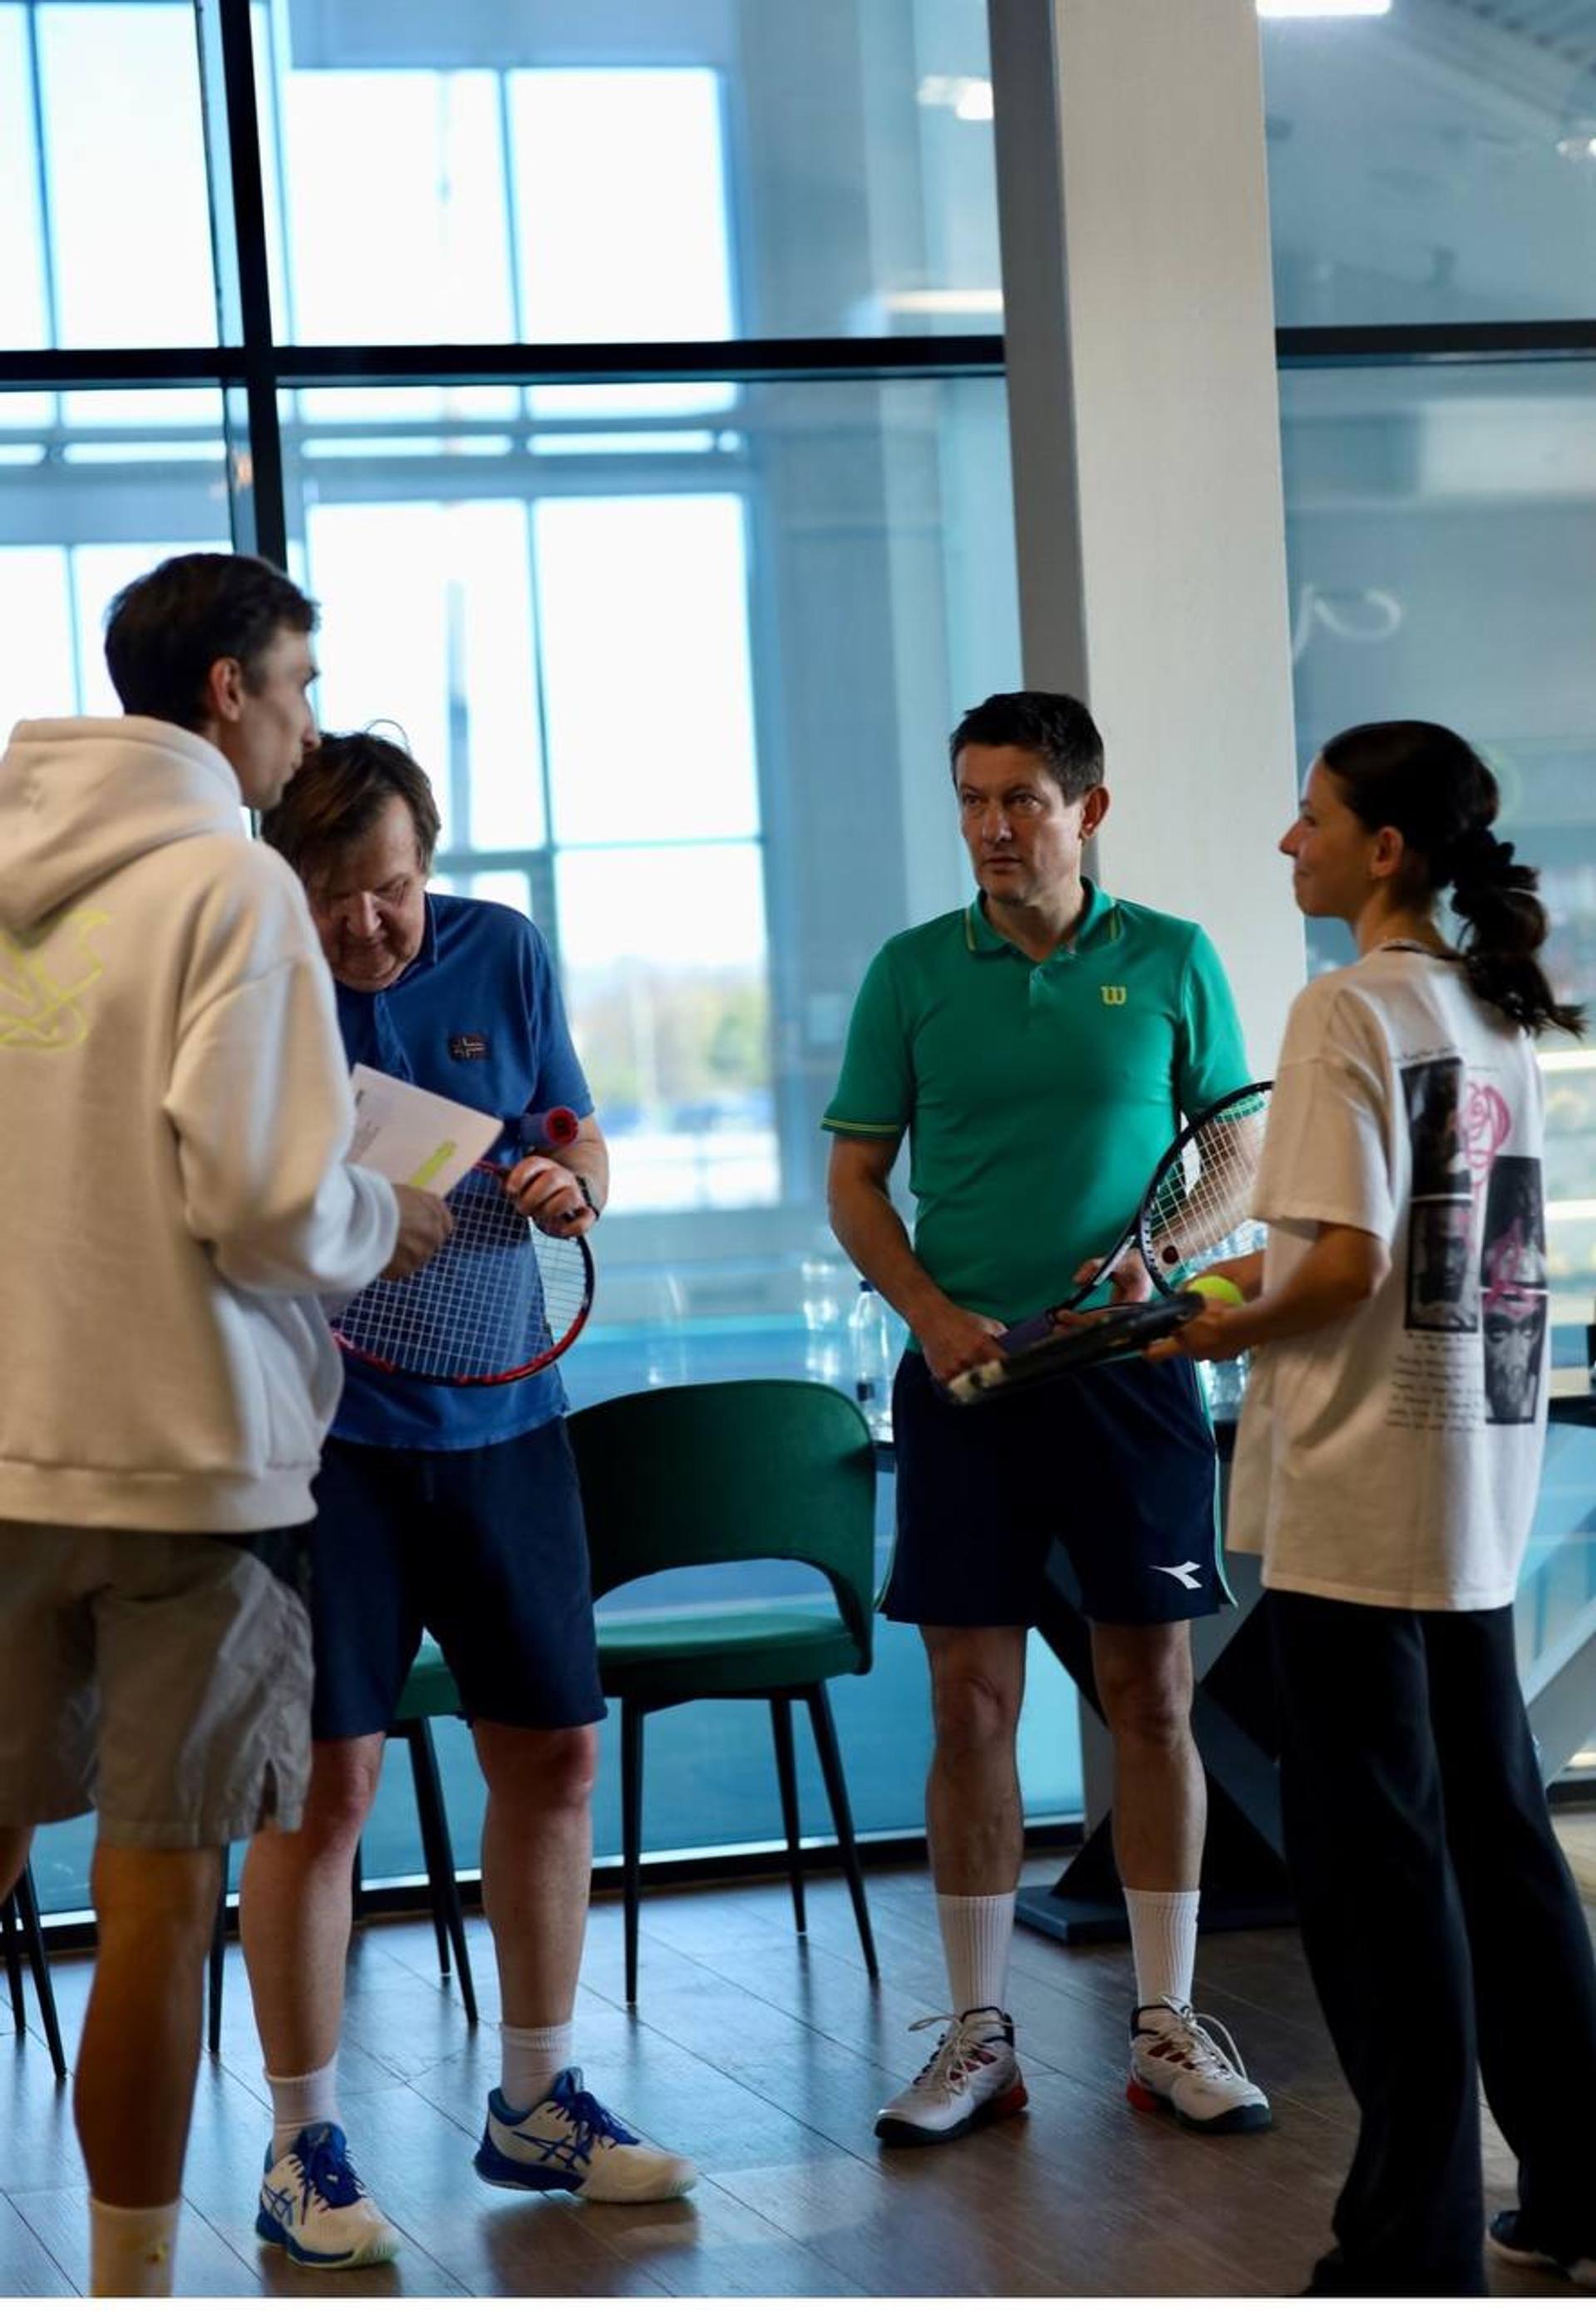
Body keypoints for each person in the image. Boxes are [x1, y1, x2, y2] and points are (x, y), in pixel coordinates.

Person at [0, 554, 449, 2298]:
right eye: (300, 684)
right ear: (225, 691)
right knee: (160, 1896)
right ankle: (129, 2287)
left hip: (9, 1452)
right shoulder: (231, 884)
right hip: (191, 1467)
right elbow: (264, 1201)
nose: (310, 728)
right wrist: (381, 1217)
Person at [239, 729, 696, 2270]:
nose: (367, 924)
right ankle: (301, 2147)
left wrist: (577, 1182)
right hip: (324, 1449)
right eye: (335, 895)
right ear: (286, 880)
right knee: (323, 1795)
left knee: (556, 1757)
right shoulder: (253, 986)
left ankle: (538, 2101)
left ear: (427, 862)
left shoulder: (504, 951)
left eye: (391, 889)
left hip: (508, 1427)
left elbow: (575, 1133)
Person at [1154, 717, 1596, 2294]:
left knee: (1378, 1884)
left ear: (1384, 850)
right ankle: (1578, 2189)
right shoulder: (1486, 1009)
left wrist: (1221, 1329)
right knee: (1499, 1840)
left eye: (1313, 816)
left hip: (1357, 1492)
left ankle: (1408, 2247)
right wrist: (1234, 1285)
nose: (1291, 842)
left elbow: (1339, 1270)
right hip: (1468, 1480)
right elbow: (1448, 1258)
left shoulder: (1344, 1006)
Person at [825, 689, 1271, 2148]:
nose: (992, 827)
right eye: (973, 798)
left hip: (1133, 1376)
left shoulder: (1172, 958)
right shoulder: (911, 971)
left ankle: (1166, 2023)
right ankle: (978, 2037)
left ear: (1089, 809)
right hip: (965, 1382)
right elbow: (855, 1184)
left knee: (1153, 1697)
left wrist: (1164, 1253)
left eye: (1020, 798)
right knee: (971, 1705)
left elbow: (1235, 1156)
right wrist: (929, 1315)